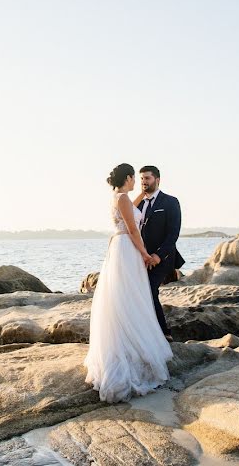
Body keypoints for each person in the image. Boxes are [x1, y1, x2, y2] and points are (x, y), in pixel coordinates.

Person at [84, 163, 173, 403]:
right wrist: (145, 254)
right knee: (128, 295)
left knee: (130, 295)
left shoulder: (122, 197)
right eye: (135, 178)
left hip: (123, 248)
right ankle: (130, 346)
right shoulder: (122, 198)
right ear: (129, 177)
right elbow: (133, 230)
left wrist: (142, 195)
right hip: (127, 247)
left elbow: (131, 212)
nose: (138, 183)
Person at [134, 165, 185, 342]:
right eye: (141, 179)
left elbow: (173, 234)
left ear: (157, 179)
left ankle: (164, 332)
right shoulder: (138, 203)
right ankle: (146, 330)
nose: (143, 182)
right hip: (140, 258)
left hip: (164, 258)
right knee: (139, 291)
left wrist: (158, 255)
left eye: (147, 178)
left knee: (149, 288)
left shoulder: (170, 202)